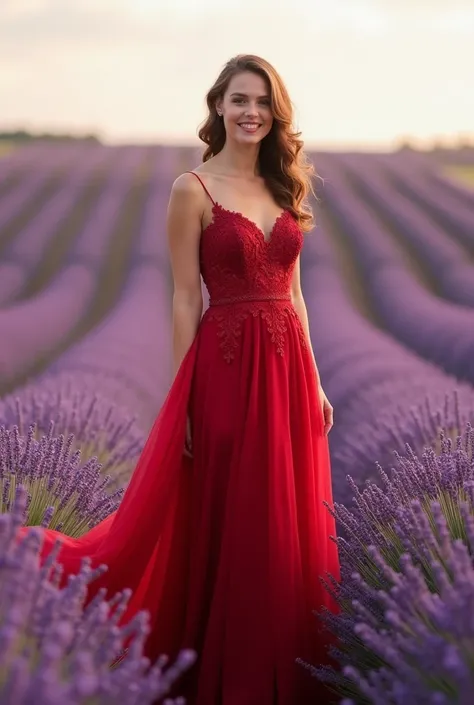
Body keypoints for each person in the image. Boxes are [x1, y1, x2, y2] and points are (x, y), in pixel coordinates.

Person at [21, 54, 340, 705]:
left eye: (262, 102)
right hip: (223, 366)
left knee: (281, 518)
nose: (251, 112)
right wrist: (183, 395)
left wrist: (319, 380)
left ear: (275, 114)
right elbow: (182, 298)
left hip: (287, 371)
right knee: (231, 513)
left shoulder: (284, 189)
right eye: (240, 100)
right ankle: (220, 670)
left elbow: (296, 293)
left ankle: (284, 668)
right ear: (218, 106)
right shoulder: (191, 189)